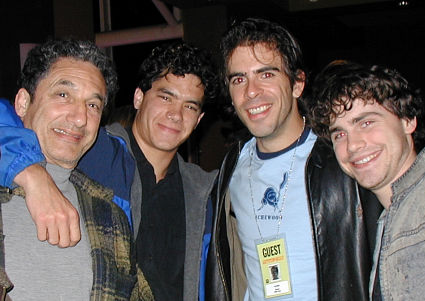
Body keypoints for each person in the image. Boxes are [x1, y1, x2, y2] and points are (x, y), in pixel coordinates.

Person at [0, 42, 218, 301]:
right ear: (138, 97)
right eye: (165, 97)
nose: (175, 114)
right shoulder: (95, 150)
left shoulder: (204, 192)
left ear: (199, 119)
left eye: (190, 106)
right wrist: (31, 175)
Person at [205, 18, 382, 301]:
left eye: (266, 74)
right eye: (239, 79)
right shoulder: (231, 167)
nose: (251, 92)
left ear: (297, 83)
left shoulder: (341, 157)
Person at [0, 39, 135, 300]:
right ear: (23, 103)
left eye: (93, 105)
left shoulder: (110, 215)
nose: (79, 118)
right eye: (63, 95)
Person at [308, 61, 425, 300]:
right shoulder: (390, 215)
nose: (353, 145)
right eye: (340, 134)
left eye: (366, 122)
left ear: (407, 121)